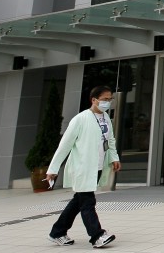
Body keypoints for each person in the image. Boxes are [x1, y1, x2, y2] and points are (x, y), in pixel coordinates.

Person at [46, 86, 121, 248]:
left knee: (78, 201)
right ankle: (97, 236)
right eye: (105, 99)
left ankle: (57, 232)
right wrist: (53, 169)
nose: (107, 102)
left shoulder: (106, 117)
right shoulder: (80, 119)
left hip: (98, 166)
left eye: (110, 99)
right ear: (94, 100)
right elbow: (64, 145)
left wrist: (114, 157)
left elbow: (111, 139)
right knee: (88, 202)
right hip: (82, 167)